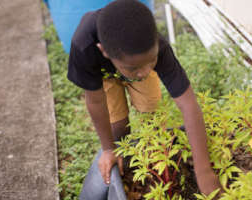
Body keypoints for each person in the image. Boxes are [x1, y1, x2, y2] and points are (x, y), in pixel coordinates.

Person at [67, 0, 221, 199]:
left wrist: (203, 171)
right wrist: (108, 149)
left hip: (131, 60)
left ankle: (155, 162)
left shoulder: (153, 49)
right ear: (104, 51)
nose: (146, 71)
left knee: (152, 117)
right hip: (104, 75)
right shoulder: (84, 46)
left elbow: (188, 104)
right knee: (118, 125)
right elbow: (96, 101)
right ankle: (122, 157)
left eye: (152, 62)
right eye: (135, 69)